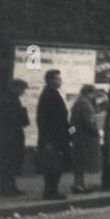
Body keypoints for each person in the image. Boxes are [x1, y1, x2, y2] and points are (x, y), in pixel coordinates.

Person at [36, 69, 70, 200]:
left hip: (59, 137)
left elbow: (63, 120)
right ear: (51, 81)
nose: (60, 81)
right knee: (53, 166)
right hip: (53, 139)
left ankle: (52, 190)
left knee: (56, 165)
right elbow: (44, 120)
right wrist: (48, 141)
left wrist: (72, 132)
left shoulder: (53, 93)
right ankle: (50, 192)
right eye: (58, 79)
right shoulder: (48, 96)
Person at [0, 78, 29, 196]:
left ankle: (11, 187)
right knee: (8, 162)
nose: (23, 92)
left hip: (11, 136)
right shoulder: (10, 100)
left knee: (11, 162)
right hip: (10, 137)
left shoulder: (12, 99)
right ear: (15, 87)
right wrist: (23, 112)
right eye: (22, 89)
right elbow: (15, 119)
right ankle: (6, 189)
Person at [68, 84, 101, 193]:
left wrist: (72, 135)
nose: (94, 96)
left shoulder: (77, 103)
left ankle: (79, 185)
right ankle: (79, 186)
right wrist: (96, 132)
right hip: (85, 138)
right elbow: (89, 122)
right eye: (94, 94)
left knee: (79, 162)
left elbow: (71, 123)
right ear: (88, 93)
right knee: (82, 162)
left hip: (78, 136)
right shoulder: (85, 104)